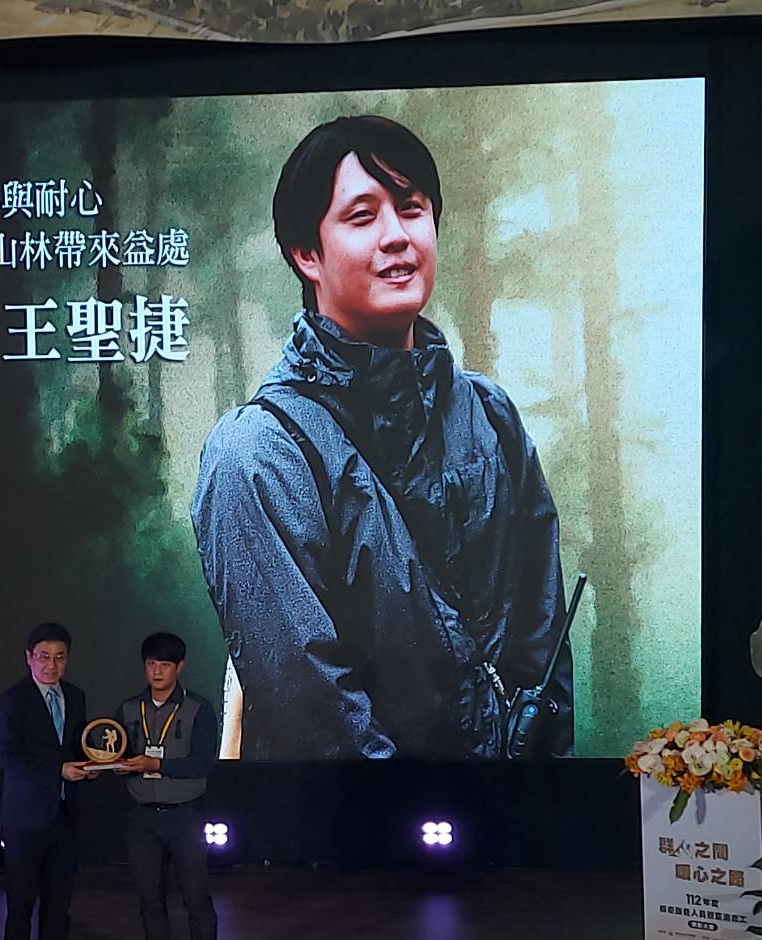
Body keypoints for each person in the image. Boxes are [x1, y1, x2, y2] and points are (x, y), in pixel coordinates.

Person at [191, 114, 573, 761]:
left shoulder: (489, 415)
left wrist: (535, 794)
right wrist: (420, 812)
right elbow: (312, 713)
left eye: (411, 208)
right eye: (362, 216)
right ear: (306, 254)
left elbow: (542, 647)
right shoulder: (257, 453)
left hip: (506, 814)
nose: (396, 235)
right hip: (353, 823)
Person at [114, 632, 221, 940]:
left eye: (165, 665)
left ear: (180, 667)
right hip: (143, 817)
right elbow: (117, 754)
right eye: (151, 664)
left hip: (185, 815)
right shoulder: (129, 709)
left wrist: (155, 763)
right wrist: (109, 765)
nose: (157, 671)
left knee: (196, 898)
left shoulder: (198, 709)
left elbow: (203, 763)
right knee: (150, 900)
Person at [0, 622, 90, 940]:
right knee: (20, 908)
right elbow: (9, 757)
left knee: (58, 911)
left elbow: (81, 748)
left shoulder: (76, 697)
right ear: (29, 658)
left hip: (64, 819)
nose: (52, 665)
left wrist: (94, 765)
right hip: (25, 822)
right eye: (44, 657)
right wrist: (59, 771)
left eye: (59, 657)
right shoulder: (13, 700)